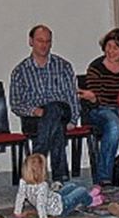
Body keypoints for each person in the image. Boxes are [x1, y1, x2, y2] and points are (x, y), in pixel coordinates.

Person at [9, 25, 81, 182]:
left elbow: (72, 95)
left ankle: (36, 166)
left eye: (48, 41)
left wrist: (74, 119)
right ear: (31, 41)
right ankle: (60, 178)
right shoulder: (20, 71)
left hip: (62, 110)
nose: (44, 45)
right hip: (34, 117)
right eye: (40, 41)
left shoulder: (63, 66)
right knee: (55, 125)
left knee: (54, 109)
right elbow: (15, 103)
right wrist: (34, 111)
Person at [81, 28, 119, 186]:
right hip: (100, 109)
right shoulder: (96, 67)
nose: (111, 51)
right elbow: (95, 99)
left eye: (116, 48)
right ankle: (104, 177)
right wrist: (93, 98)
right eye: (109, 46)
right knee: (114, 125)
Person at [13, 153, 98, 218]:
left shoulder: (23, 182)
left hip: (55, 198)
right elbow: (40, 204)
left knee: (71, 186)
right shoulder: (42, 186)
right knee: (82, 190)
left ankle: (87, 196)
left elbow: (20, 196)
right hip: (61, 207)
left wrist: (17, 212)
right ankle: (90, 201)